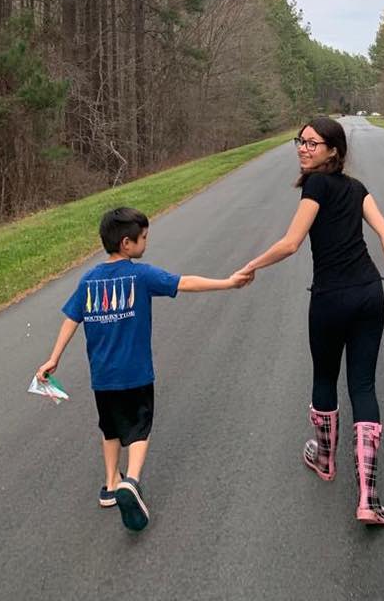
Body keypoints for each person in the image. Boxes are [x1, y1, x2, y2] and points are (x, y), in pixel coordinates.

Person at [239, 116, 384, 526]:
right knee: (363, 384)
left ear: (333, 150)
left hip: (332, 297)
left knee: (325, 378)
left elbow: (291, 242)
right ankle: (368, 497)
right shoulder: (357, 189)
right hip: (370, 292)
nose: (303, 148)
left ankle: (326, 459)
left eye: (312, 143)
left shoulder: (317, 185)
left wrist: (251, 265)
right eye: (300, 141)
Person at [36, 206, 252, 532]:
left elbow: (72, 317)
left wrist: (54, 357)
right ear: (127, 243)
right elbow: (184, 283)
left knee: (109, 428)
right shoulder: (140, 275)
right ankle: (131, 481)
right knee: (139, 427)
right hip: (135, 373)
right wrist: (227, 283)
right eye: (144, 238)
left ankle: (110, 484)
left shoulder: (89, 280)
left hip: (102, 377)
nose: (146, 242)